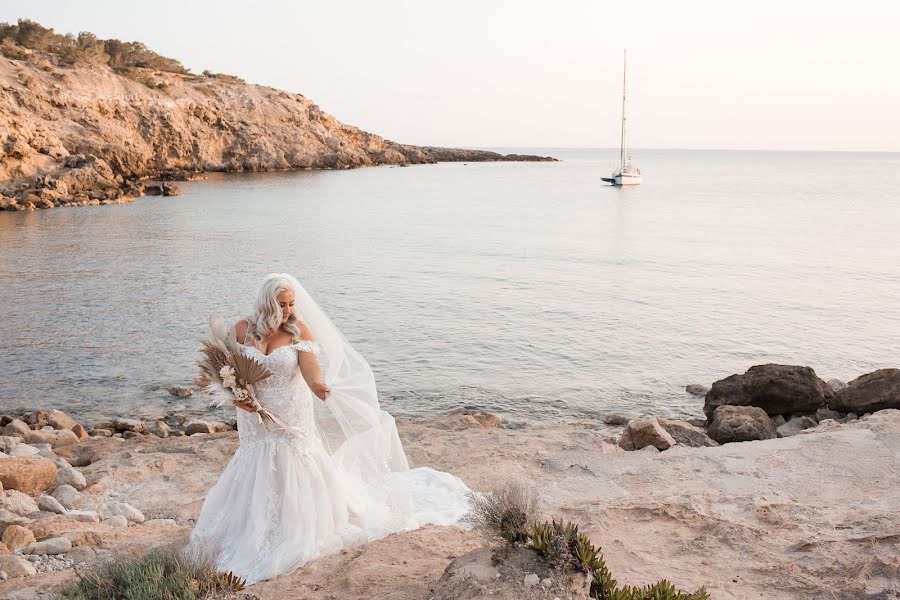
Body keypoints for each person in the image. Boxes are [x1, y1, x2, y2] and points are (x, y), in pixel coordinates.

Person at [189, 273, 471, 583]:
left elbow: (311, 371)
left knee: (292, 460)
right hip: (254, 418)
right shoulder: (241, 330)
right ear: (265, 302)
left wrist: (321, 387)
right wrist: (235, 397)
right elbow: (223, 368)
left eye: (291, 304)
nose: (286, 310)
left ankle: (290, 527)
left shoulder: (298, 332)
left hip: (290, 414)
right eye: (280, 304)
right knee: (254, 462)